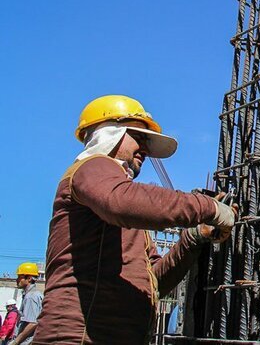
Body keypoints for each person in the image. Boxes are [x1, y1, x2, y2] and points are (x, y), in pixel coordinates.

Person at [33, 95, 237, 344]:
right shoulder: (92, 167)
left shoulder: (128, 217)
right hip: (77, 337)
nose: (146, 150)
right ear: (107, 134)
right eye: (138, 138)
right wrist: (208, 207)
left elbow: (153, 284)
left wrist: (194, 237)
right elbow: (120, 201)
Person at [11, 263, 43, 345]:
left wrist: (16, 341)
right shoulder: (30, 295)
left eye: (19, 277)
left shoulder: (31, 296)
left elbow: (33, 323)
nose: (17, 280)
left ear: (29, 278)